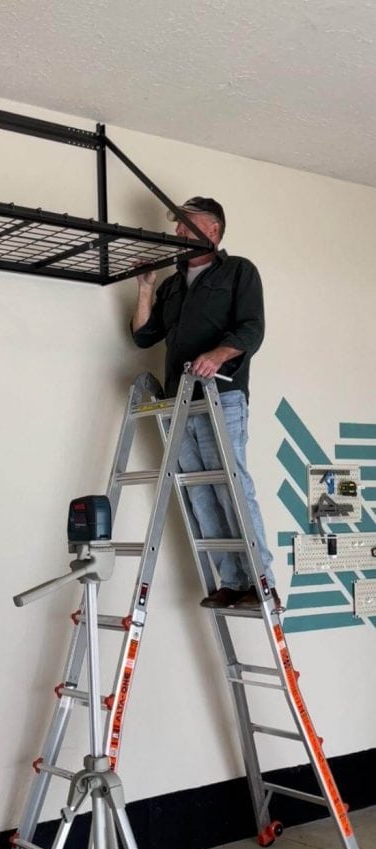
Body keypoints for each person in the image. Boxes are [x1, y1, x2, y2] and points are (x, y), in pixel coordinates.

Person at [130, 196, 279, 610]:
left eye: (186, 224)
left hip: (221, 396)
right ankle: (231, 581)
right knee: (199, 492)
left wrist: (218, 354)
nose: (178, 232)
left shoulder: (238, 272)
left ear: (213, 230)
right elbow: (143, 336)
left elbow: (252, 328)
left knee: (232, 485)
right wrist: (145, 289)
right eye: (177, 225)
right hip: (180, 399)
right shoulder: (174, 285)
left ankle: (261, 581)